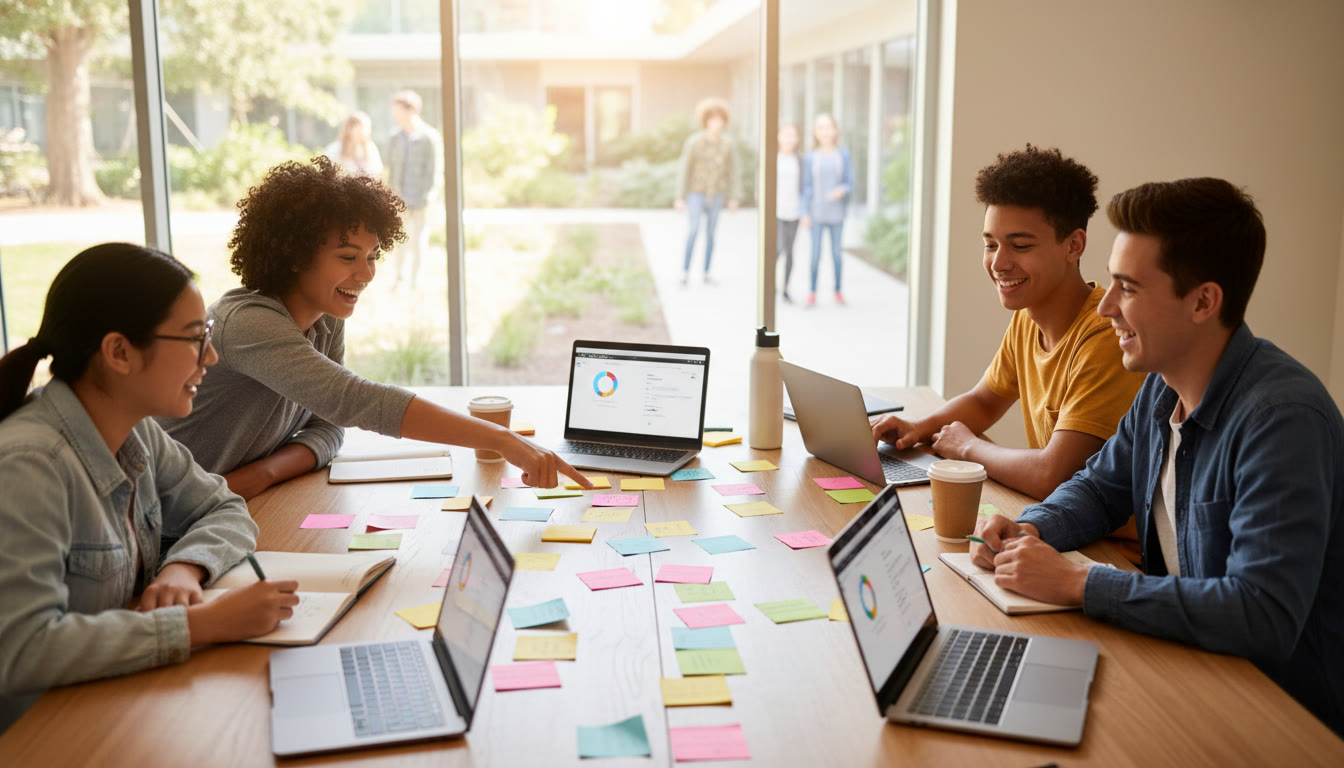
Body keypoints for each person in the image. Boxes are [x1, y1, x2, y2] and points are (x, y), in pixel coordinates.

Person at [970, 177, 1344, 736]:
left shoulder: (1282, 419)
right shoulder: (1162, 386)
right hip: (1193, 665)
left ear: (1203, 301)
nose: (1107, 309)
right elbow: (1099, 487)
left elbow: (1261, 614)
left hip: (1279, 717)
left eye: (1129, 288)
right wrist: (1031, 530)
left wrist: (1078, 584)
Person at [160, 157, 591, 500]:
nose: (365, 275)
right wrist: (506, 441)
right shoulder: (248, 322)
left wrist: (260, 474)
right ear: (293, 255)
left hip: (228, 499)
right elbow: (354, 402)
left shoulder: (324, 318)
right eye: (348, 257)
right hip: (175, 514)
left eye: (372, 255)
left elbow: (329, 426)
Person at [0, 243, 300, 732]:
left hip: (111, 706)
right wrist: (203, 624)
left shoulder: (134, 429)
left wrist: (184, 569)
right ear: (119, 351)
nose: (212, 355)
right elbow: (22, 648)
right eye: (194, 337)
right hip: (42, 738)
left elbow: (223, 507)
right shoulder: (29, 466)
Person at [873, 145, 1145, 528]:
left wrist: (968, 446)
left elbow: (1053, 475)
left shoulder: (1104, 338)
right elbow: (986, 400)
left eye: (1020, 246)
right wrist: (920, 428)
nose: (999, 263)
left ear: (1074, 245)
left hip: (1113, 550)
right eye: (990, 244)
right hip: (1057, 525)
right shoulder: (1028, 316)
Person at [674, 97, 740, 286]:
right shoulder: (694, 142)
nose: (715, 123)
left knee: (711, 234)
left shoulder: (728, 144)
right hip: (696, 192)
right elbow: (684, 169)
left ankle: (706, 272)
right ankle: (685, 271)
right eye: (712, 119)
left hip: (716, 194)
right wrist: (679, 196)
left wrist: (734, 198)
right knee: (693, 230)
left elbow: (733, 172)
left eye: (719, 119)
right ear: (705, 121)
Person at [385, 90, 441, 288]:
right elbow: (390, 168)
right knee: (399, 239)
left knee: (418, 240)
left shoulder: (429, 137)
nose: (394, 115)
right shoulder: (394, 137)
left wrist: (428, 197)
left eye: (397, 110)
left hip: (420, 199)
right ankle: (399, 277)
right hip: (400, 198)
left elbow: (434, 171)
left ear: (411, 110)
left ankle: (416, 280)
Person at [799, 113, 854, 306]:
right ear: (815, 132)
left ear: (835, 130)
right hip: (816, 213)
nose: (825, 131)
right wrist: (804, 212)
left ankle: (838, 290)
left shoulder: (843, 155)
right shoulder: (810, 158)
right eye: (821, 127)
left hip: (837, 213)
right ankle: (812, 292)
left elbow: (850, 182)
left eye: (828, 127)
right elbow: (806, 187)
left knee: (837, 255)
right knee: (815, 255)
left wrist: (842, 190)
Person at [776, 121, 803, 302]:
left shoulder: (800, 160)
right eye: (785, 134)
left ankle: (785, 287)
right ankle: (769, 285)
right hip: (775, 213)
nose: (788, 138)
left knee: (789, 251)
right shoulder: (772, 158)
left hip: (794, 212)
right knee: (776, 250)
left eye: (792, 135)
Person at [324, 111, 383, 177]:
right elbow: (328, 172)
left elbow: (377, 170)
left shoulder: (370, 148)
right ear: (349, 129)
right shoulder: (335, 149)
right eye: (358, 128)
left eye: (364, 128)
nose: (362, 132)